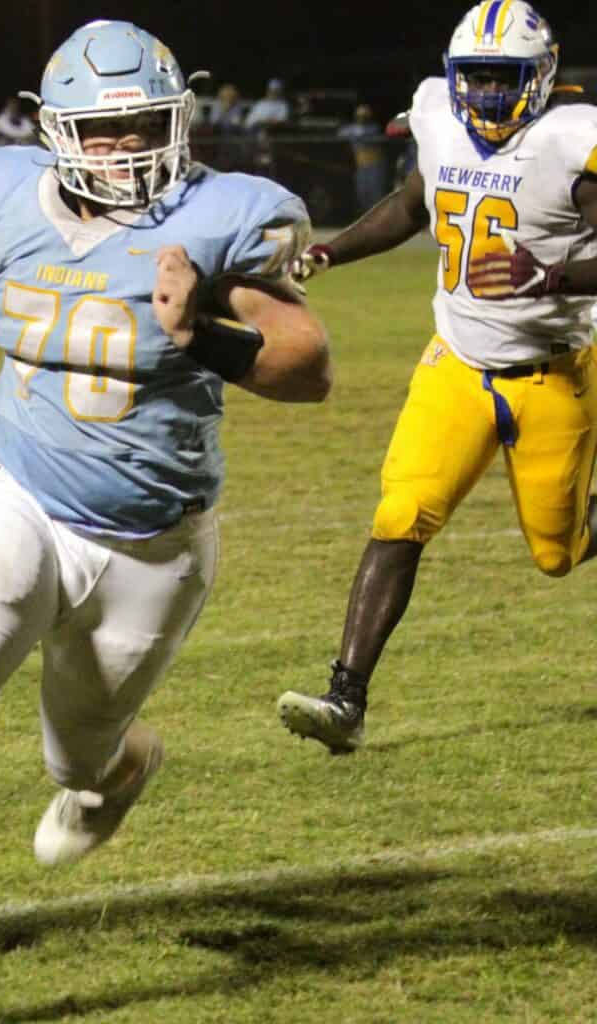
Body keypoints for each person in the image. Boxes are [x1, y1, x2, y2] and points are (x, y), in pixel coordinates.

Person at [0, 19, 331, 1023]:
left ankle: (120, 764)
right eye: (99, 132)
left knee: (79, 758)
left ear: (176, 121)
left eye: (140, 125)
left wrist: (202, 335)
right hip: (15, 487)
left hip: (154, 539)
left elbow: (308, 365)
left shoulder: (220, 217)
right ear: (55, 131)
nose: (121, 149)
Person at [277, 1, 597, 755]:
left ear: (542, 77)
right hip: (454, 362)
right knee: (403, 512)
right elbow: (413, 204)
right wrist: (332, 252)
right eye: (475, 77)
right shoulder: (438, 117)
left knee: (556, 553)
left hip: (551, 371)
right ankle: (344, 700)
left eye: (504, 78)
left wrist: (550, 275)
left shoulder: (571, 141)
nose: (486, 94)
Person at [338, 103, 390, 215]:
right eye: (360, 116)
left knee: (376, 194)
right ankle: (366, 217)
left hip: (375, 165)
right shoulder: (351, 129)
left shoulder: (374, 128)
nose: (362, 118)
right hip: (361, 165)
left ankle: (379, 216)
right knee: (362, 193)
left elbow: (361, 133)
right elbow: (340, 133)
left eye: (365, 116)